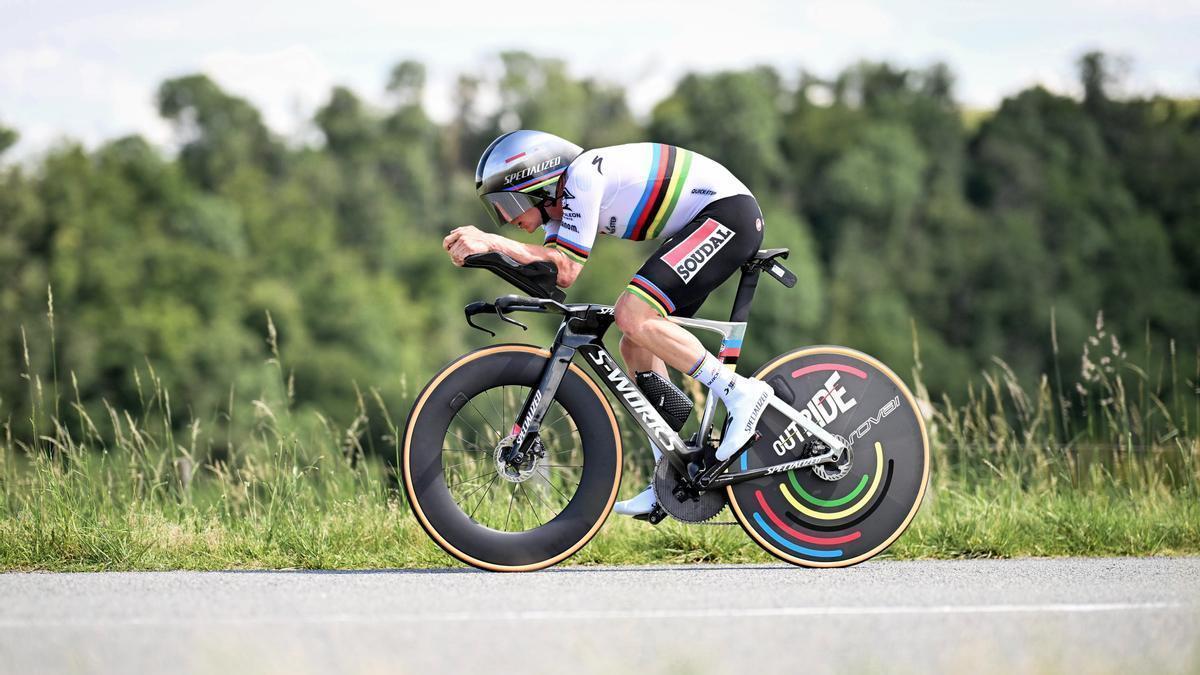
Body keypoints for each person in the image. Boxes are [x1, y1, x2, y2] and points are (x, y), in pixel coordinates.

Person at [443, 130, 773, 516]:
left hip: (727, 214)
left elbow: (565, 268)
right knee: (635, 343)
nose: (505, 218)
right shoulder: (559, 208)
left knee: (631, 315)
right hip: (704, 222)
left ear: (536, 183)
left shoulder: (581, 177)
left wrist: (490, 242)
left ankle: (741, 393)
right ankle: (670, 474)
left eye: (506, 202)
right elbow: (552, 274)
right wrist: (487, 257)